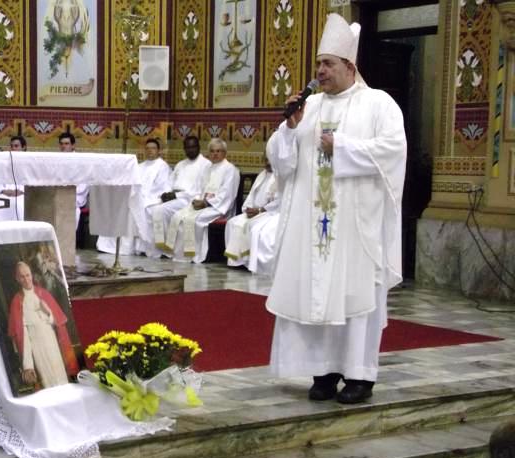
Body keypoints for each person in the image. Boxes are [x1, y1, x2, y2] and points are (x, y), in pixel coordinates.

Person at [266, 13, 407, 404]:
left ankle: (360, 375)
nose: (319, 71)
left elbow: (393, 152)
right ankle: (324, 372)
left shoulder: (379, 104)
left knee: (355, 294)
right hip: (314, 225)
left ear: (349, 66)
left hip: (355, 226)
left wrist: (342, 147)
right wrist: (292, 128)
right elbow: (280, 160)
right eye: (317, 63)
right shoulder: (307, 109)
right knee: (317, 293)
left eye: (327, 63)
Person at [162, 138, 240, 263]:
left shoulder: (230, 170)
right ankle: (178, 254)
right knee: (178, 216)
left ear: (224, 153)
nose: (215, 154)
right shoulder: (208, 168)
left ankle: (193, 254)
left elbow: (227, 195)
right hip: (203, 204)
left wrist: (206, 203)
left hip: (219, 208)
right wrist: (197, 200)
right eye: (212, 151)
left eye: (218, 151)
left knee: (192, 220)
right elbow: (200, 189)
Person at [8, 261, 79, 389]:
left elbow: (57, 322)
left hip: (52, 340)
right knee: (47, 381)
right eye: (22, 276)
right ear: (17, 279)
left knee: (61, 376)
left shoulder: (43, 293)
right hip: (36, 345)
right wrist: (28, 365)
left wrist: (48, 313)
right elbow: (22, 336)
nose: (26, 279)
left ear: (31, 275)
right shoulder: (17, 301)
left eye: (28, 275)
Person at [96, 137, 172, 255]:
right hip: (136, 197)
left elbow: (162, 188)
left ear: (159, 150)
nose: (150, 151)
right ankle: (111, 246)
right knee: (120, 206)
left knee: (133, 209)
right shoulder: (140, 166)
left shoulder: (162, 166)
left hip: (152, 199)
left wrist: (142, 197)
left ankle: (129, 247)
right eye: (147, 148)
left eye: (153, 148)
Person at [142, 135, 210, 258]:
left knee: (160, 210)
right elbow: (170, 183)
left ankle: (165, 249)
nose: (190, 150)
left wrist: (177, 195)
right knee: (155, 208)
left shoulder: (206, 165)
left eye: (193, 147)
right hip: (175, 197)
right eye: (187, 147)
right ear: (184, 149)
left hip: (189, 199)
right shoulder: (180, 164)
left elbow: (199, 190)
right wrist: (167, 194)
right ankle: (160, 248)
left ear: (199, 147)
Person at [225, 155, 279, 271]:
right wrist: (248, 209)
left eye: (270, 160)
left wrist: (259, 210)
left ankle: (250, 261)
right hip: (255, 211)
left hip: (270, 213)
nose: (267, 163)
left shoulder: (280, 177)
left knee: (253, 227)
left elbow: (279, 201)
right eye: (265, 160)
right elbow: (251, 196)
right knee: (233, 222)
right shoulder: (262, 175)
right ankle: (238, 261)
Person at [59, 132, 89, 229]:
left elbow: (84, 185)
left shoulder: (81, 161)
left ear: (73, 145)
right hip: (60, 194)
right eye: (61, 144)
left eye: (66, 143)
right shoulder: (56, 160)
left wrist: (67, 191)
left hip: (76, 195)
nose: (63, 146)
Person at [0, 135, 26, 222]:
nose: (13, 148)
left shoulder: (28, 162)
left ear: (23, 147)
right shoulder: (4, 162)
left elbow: (31, 182)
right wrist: (3, 190)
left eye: (16, 146)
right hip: (5, 193)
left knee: (21, 205)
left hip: (22, 195)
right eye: (11, 146)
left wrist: (22, 191)